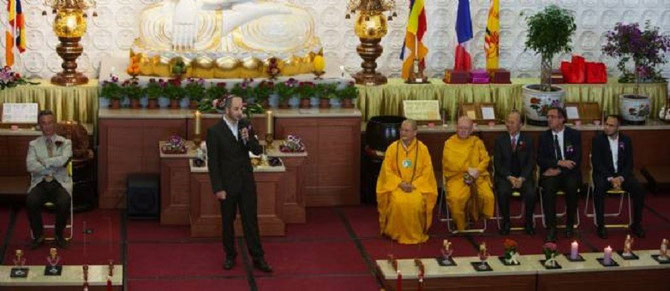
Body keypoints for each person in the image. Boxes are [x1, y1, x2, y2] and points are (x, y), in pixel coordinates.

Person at [206, 95, 272, 272]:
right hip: (227, 186)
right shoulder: (215, 132)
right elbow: (213, 163)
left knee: (251, 221)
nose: (239, 112)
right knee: (228, 222)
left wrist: (248, 139)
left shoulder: (246, 125)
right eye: (236, 109)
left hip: (246, 183)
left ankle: (258, 257)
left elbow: (257, 151)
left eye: (241, 109)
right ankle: (230, 255)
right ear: (227, 110)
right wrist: (218, 188)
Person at [376, 119, 437, 244]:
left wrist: (414, 185)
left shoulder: (422, 149)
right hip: (397, 186)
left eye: (407, 130)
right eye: (402, 130)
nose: (403, 133)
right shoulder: (392, 148)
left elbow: (427, 171)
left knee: (416, 202)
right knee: (398, 202)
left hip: (417, 187)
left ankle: (415, 233)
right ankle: (395, 233)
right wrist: (400, 183)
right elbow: (387, 171)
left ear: (415, 132)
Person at [591, 115, 645, 238]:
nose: (607, 128)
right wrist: (611, 178)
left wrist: (620, 177)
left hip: (622, 175)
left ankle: (636, 224)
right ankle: (600, 225)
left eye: (611, 125)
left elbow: (629, 163)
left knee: (639, 189)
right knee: (598, 190)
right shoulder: (598, 140)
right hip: (604, 175)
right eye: (606, 124)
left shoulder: (626, 140)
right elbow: (597, 163)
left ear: (618, 127)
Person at [26, 110, 72, 249]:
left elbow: (64, 159)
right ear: (40, 125)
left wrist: (43, 162)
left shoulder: (65, 142)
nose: (47, 126)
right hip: (40, 182)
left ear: (55, 123)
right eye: (44, 123)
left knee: (64, 201)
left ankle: (59, 235)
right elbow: (30, 165)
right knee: (31, 201)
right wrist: (52, 164)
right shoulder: (33, 145)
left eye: (50, 122)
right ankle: (39, 235)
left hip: (59, 182)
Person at [442, 116, 495, 231]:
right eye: (460, 128)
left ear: (471, 130)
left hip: (477, 176)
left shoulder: (477, 142)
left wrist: (477, 171)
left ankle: (475, 217)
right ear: (456, 128)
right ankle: (461, 225)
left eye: (466, 128)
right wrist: (468, 169)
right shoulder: (449, 143)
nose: (463, 131)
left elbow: (485, 159)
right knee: (456, 199)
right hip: (457, 177)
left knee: (487, 196)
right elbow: (450, 163)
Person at [538, 107, 581, 242]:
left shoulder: (574, 135)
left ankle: (569, 224)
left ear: (562, 119)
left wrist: (560, 169)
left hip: (569, 173)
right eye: (548, 116)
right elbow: (540, 159)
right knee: (548, 189)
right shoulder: (544, 137)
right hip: (551, 173)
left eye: (553, 116)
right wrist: (559, 162)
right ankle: (551, 227)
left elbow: (577, 159)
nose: (549, 119)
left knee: (572, 187)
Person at [493, 111, 536, 235]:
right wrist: (509, 177)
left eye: (512, 122)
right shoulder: (500, 140)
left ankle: (528, 222)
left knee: (531, 193)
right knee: (502, 192)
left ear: (521, 124)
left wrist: (522, 178)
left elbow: (531, 162)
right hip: (505, 177)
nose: (508, 125)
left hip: (523, 177)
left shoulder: (528, 140)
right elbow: (498, 164)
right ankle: (506, 222)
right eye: (507, 122)